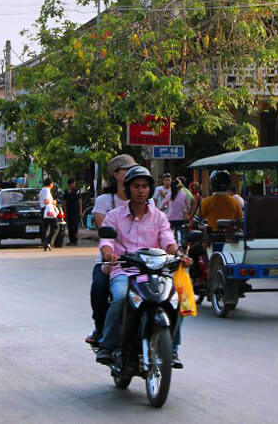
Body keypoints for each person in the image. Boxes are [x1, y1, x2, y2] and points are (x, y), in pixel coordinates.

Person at [95, 165, 191, 368]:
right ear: (128, 189)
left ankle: (172, 350)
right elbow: (106, 243)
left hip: (155, 271)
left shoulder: (159, 216)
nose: (141, 190)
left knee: (177, 300)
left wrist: (180, 255)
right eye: (137, 186)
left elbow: (168, 241)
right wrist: (108, 255)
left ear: (150, 189)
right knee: (120, 298)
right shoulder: (114, 215)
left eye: (145, 186)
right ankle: (108, 344)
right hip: (124, 270)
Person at [86, 153, 136, 346]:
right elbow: (105, 234)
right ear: (116, 175)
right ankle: (101, 328)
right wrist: (110, 255)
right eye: (127, 170)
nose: (141, 191)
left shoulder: (148, 203)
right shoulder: (104, 201)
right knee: (99, 288)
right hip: (112, 260)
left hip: (140, 261)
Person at [161, 177, 193, 246]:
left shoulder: (170, 194)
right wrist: (188, 210)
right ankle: (183, 245)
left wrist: (162, 209)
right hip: (181, 218)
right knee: (183, 234)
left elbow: (162, 204)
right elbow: (188, 206)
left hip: (170, 218)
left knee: (170, 234)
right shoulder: (184, 194)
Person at [39, 177, 58, 251]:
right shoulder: (46, 190)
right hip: (48, 210)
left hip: (44, 210)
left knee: (45, 227)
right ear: (50, 184)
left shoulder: (42, 190)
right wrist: (54, 202)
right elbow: (46, 201)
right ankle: (47, 241)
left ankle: (46, 243)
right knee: (55, 226)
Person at [62, 178, 82, 246]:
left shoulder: (77, 191)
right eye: (71, 184)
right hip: (68, 211)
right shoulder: (66, 192)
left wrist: (80, 211)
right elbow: (64, 202)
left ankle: (75, 240)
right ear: (69, 184)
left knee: (75, 226)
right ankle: (71, 240)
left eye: (73, 183)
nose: (73, 185)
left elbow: (80, 201)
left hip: (76, 211)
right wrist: (64, 211)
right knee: (69, 226)